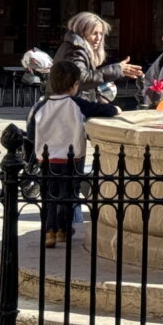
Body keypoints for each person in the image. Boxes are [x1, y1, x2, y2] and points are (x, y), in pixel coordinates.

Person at [26, 60, 120, 248]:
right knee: (69, 196)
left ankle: (48, 232)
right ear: (76, 85)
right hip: (71, 159)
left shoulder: (40, 106)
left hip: (46, 160)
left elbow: (31, 132)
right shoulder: (76, 103)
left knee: (49, 197)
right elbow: (101, 110)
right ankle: (64, 230)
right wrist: (115, 109)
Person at [53, 12, 143, 101]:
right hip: (70, 108)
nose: (99, 38)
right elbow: (81, 79)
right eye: (94, 33)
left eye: (101, 33)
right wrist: (115, 70)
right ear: (82, 32)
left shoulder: (75, 47)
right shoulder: (75, 50)